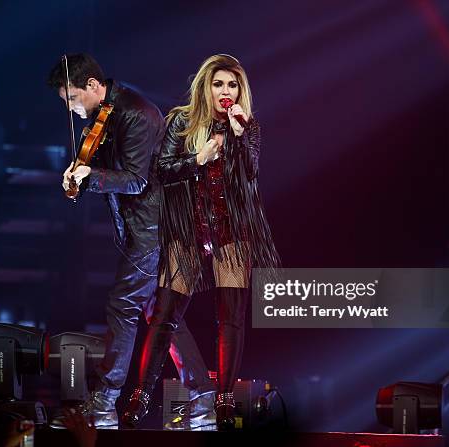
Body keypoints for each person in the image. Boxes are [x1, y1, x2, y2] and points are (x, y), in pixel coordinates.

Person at [47, 53, 215, 429]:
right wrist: (78, 174)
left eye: (73, 99)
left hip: (154, 229)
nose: (72, 110)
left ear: (93, 85)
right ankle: (203, 399)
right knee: (161, 315)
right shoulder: (105, 115)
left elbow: (136, 179)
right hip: (143, 228)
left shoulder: (136, 113)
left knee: (123, 306)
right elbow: (103, 166)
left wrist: (91, 176)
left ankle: (104, 403)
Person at [121, 54, 280, 431]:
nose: (226, 92)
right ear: (205, 87)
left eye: (233, 85)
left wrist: (240, 140)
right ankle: (141, 395)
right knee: (164, 316)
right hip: (188, 228)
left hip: (230, 230)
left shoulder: (248, 127)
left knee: (231, 318)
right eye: (219, 84)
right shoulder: (181, 120)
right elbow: (160, 170)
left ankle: (223, 398)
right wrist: (198, 158)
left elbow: (250, 176)